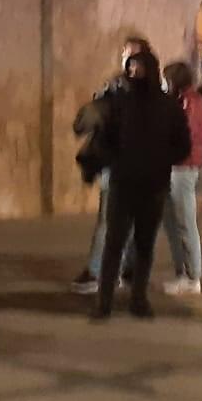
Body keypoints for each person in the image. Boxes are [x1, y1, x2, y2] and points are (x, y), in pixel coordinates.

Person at [94, 50, 191, 321]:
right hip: (126, 183)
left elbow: (183, 144)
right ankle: (105, 301)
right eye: (131, 68)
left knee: (144, 244)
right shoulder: (120, 104)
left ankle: (138, 298)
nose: (134, 73)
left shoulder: (167, 106)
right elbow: (106, 137)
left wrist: (160, 161)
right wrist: (117, 159)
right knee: (115, 242)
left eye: (138, 68)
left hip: (151, 185)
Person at [72, 36, 150, 295]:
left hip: (133, 161)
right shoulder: (116, 83)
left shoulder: (148, 89)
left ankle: (99, 271)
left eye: (132, 54)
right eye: (125, 54)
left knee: (115, 218)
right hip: (113, 158)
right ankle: (121, 269)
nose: (127, 59)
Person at [160, 61, 202, 296]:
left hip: (183, 168)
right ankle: (184, 273)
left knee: (184, 222)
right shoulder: (188, 100)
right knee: (173, 223)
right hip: (180, 167)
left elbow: (182, 135)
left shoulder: (188, 102)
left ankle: (192, 276)